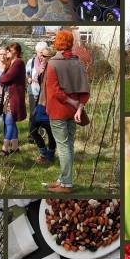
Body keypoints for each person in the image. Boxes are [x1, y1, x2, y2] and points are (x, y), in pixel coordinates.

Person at [40, 30, 90, 192]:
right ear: (71, 42)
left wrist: (71, 101)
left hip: (58, 111)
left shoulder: (53, 64)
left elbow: (54, 92)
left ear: (57, 43)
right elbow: (85, 90)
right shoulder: (78, 62)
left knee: (63, 146)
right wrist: (79, 107)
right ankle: (62, 179)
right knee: (68, 145)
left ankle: (67, 184)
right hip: (74, 112)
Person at [0, 43, 27, 156]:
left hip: (14, 98)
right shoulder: (11, 63)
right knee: (11, 121)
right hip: (8, 97)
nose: (7, 52)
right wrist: (3, 78)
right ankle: (15, 148)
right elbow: (3, 78)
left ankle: (5, 149)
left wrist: (3, 78)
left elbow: (6, 78)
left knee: (9, 121)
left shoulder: (18, 63)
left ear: (16, 51)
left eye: (9, 50)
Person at [30, 47, 56, 164]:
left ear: (51, 57)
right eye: (41, 55)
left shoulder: (54, 68)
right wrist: (40, 72)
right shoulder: (43, 67)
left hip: (50, 105)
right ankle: (44, 153)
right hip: (40, 103)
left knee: (51, 132)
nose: (41, 57)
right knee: (33, 129)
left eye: (44, 56)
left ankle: (49, 156)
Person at [26, 41, 49, 129]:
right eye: (40, 52)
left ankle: (42, 133)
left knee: (43, 114)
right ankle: (32, 135)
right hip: (33, 91)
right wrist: (28, 78)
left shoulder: (48, 62)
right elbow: (27, 73)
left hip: (44, 93)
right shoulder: (31, 62)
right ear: (36, 52)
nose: (41, 54)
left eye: (43, 52)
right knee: (33, 113)